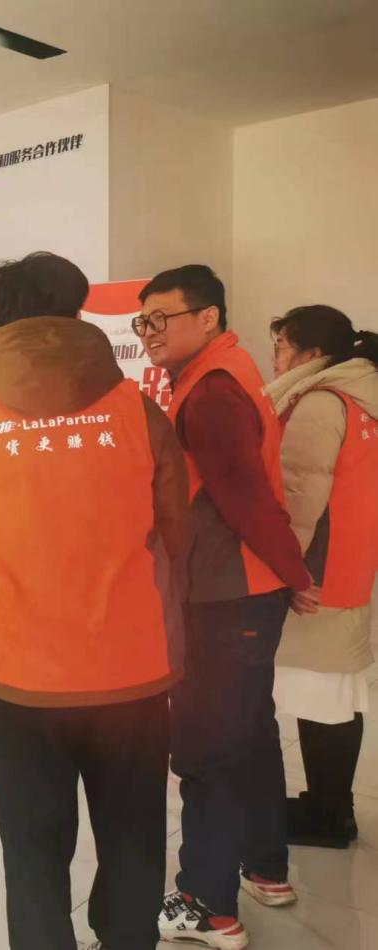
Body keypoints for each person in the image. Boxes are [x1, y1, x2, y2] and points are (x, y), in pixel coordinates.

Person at [0, 251, 189, 950]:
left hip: (19, 672)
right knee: (133, 835)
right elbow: (174, 527)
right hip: (132, 668)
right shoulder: (137, 410)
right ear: (74, 311)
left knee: (32, 845)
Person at [138, 265, 316, 949]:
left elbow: (244, 495)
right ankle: (265, 868)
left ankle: (207, 905)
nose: (149, 332)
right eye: (143, 321)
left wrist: (293, 571)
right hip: (241, 592)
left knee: (207, 748)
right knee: (249, 731)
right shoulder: (221, 372)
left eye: (162, 318)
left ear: (208, 316)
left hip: (224, 594)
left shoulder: (211, 390)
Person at [266, 306, 378, 849]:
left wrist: (287, 569)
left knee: (321, 694)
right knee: (334, 689)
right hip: (349, 563)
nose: (275, 359)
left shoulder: (320, 402)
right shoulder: (361, 398)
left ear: (313, 354)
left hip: (317, 572)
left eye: (282, 346)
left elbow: (300, 496)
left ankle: (328, 815)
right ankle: (331, 806)